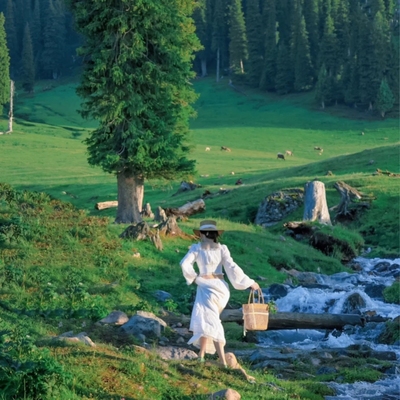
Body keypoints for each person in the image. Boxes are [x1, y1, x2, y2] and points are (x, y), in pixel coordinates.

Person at [180, 220, 260, 367]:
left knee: (211, 320)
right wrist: (249, 282)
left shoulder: (196, 249)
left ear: (203, 234)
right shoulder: (222, 249)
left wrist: (194, 278)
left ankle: (223, 361)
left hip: (206, 286)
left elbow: (184, 264)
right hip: (221, 289)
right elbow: (232, 267)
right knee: (208, 319)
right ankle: (201, 355)